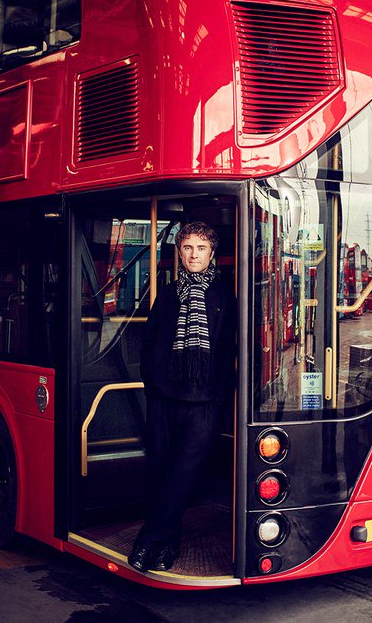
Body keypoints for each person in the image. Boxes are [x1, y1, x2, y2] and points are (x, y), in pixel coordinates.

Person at [128, 221, 236, 573]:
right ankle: (168, 543)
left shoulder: (225, 295)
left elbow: (229, 349)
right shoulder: (169, 294)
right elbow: (149, 344)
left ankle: (147, 540)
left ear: (211, 253)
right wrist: (154, 389)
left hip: (204, 404)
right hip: (165, 400)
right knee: (161, 471)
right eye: (188, 247)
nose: (194, 255)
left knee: (183, 474)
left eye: (201, 248)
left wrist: (219, 399)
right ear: (180, 251)